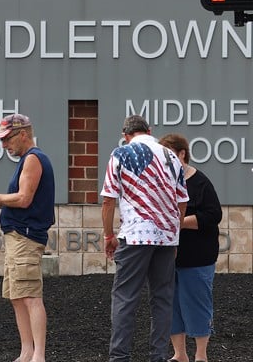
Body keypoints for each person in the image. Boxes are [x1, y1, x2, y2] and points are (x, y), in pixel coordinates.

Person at [101, 115, 189, 362]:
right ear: (149, 130)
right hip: (166, 238)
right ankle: (158, 356)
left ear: (125, 135)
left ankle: (119, 357)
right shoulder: (171, 156)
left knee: (125, 298)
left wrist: (109, 235)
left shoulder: (120, 153)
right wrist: (175, 233)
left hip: (135, 236)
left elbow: (108, 200)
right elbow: (182, 201)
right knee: (162, 299)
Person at [0, 113, 55, 362]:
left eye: (7, 139)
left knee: (30, 296)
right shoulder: (29, 160)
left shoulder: (33, 159)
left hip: (25, 237)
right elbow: (18, 202)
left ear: (23, 134)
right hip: (18, 236)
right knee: (17, 296)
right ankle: (27, 352)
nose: (4, 145)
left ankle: (38, 355)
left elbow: (23, 198)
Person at [159, 134, 222, 362]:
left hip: (197, 258)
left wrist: (180, 222)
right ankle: (180, 354)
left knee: (197, 304)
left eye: (167, 154)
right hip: (168, 257)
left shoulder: (200, 182)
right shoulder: (163, 182)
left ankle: (201, 356)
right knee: (171, 307)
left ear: (181, 154)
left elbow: (214, 215)